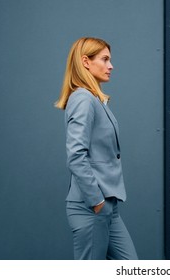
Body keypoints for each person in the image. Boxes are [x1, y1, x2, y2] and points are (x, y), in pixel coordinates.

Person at [55, 37, 138, 260]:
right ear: (86, 62)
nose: (111, 66)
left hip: (108, 206)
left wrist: (105, 205)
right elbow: (75, 155)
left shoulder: (95, 99)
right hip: (91, 207)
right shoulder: (83, 99)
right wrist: (97, 202)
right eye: (105, 59)